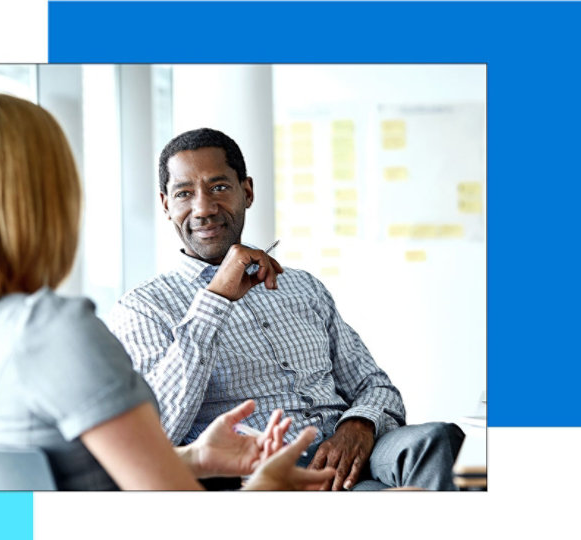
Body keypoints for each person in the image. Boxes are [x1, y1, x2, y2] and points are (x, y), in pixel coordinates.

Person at [0, 94, 336, 491]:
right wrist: (266, 488)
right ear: (46, 195)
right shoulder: (57, 330)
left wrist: (197, 457)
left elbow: (78, 480)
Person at [108, 127, 466, 490]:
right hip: (266, 475)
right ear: (166, 205)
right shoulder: (143, 308)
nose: (203, 208)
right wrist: (214, 300)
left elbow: (375, 385)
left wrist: (358, 425)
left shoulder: (302, 286)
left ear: (246, 192)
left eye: (219, 188)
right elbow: (159, 431)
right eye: (184, 193)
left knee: (436, 440)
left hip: (356, 451)